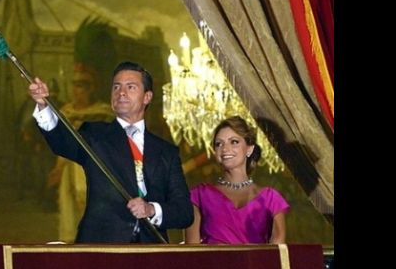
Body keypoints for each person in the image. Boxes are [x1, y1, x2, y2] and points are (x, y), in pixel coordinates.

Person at [29, 61, 193, 243]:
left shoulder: (166, 151)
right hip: (101, 249)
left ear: (147, 97)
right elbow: (62, 142)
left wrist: (152, 209)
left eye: (130, 87)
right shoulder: (95, 135)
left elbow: (184, 212)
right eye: (116, 87)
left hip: (150, 254)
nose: (121, 92)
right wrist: (44, 105)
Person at [184, 116, 289, 244]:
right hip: (212, 264)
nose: (225, 149)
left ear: (249, 149)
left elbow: (277, 252)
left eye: (234, 142)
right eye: (219, 144)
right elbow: (191, 251)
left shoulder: (270, 198)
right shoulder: (199, 195)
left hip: (256, 264)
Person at [47, 66, 114, 242]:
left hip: (95, 166)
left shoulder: (103, 112)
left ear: (91, 88)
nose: (78, 90)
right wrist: (58, 168)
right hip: (70, 166)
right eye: (75, 85)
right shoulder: (66, 112)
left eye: (82, 85)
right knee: (70, 208)